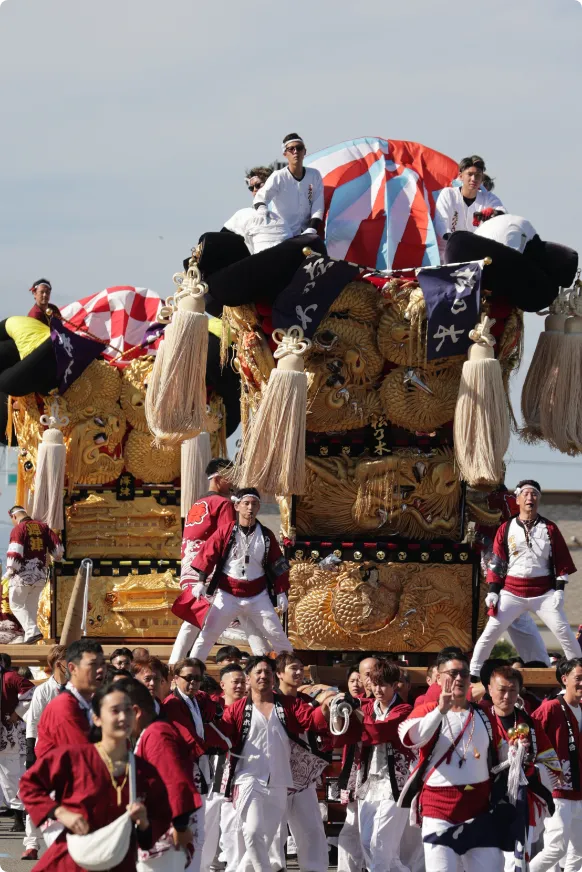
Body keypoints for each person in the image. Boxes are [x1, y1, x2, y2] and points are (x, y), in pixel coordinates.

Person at [20, 682, 172, 872]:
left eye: (128, 710)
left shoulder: (144, 771)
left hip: (119, 862)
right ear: (97, 718)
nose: (123, 717)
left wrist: (144, 824)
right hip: (73, 860)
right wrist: (60, 813)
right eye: (115, 711)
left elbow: (160, 820)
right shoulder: (74, 757)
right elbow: (29, 785)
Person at [219, 656, 332, 872]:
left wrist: (327, 705)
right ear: (248, 678)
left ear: (274, 677)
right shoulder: (237, 709)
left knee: (265, 837)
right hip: (248, 779)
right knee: (252, 832)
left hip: (280, 781)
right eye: (258, 672)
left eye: (267, 673)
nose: (263, 676)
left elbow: (311, 720)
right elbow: (222, 735)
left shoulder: (289, 705)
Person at [398, 651, 504, 872]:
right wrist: (440, 710)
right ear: (438, 678)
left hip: (479, 808)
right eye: (452, 673)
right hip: (439, 809)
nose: (459, 679)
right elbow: (412, 739)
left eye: (464, 674)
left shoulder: (484, 714)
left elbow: (499, 752)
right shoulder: (426, 710)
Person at [470, 480, 581, 679]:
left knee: (564, 630)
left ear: (539, 499)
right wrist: (494, 591)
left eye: (535, 494)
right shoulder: (505, 528)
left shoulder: (550, 528)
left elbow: (561, 561)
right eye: (526, 494)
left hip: (544, 593)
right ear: (518, 499)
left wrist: (560, 591)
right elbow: (497, 562)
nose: (530, 498)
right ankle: (474, 673)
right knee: (491, 631)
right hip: (512, 591)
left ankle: (577, 672)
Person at [170, 459, 267, 664]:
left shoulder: (197, 503)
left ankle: (176, 663)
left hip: (191, 568)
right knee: (244, 616)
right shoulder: (223, 504)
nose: (233, 482)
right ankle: (265, 662)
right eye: (230, 477)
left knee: (198, 619)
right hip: (211, 570)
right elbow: (229, 539)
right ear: (218, 477)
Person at [190, 487, 293, 662]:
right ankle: (192, 669)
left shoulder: (266, 535)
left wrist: (281, 591)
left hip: (257, 596)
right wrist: (201, 582)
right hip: (227, 594)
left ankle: (291, 669)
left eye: (254, 504)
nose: (250, 508)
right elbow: (208, 554)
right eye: (246, 503)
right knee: (208, 635)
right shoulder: (225, 531)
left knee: (278, 635)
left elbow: (277, 564)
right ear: (237, 506)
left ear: (259, 507)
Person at [334, 659, 413, 872]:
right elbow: (343, 733)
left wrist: (357, 711)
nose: (378, 689)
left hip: (394, 783)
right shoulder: (369, 706)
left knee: (380, 845)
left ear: (395, 684)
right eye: (375, 684)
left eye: (383, 684)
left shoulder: (405, 709)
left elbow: (379, 732)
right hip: (369, 781)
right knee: (368, 841)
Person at [116, 677, 200, 872]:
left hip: (165, 836)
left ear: (135, 712)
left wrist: (180, 826)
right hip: (155, 834)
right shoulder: (150, 733)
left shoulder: (157, 734)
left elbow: (176, 782)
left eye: (118, 712)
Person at [485, 665, 561, 871]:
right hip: (483, 800)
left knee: (516, 859)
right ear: (490, 689)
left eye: (512, 690)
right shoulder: (479, 718)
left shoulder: (530, 724)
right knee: (485, 860)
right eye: (501, 690)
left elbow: (550, 762)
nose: (507, 696)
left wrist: (525, 764)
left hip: (520, 800)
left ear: (520, 690)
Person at [162, 657, 230, 872]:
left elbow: (212, 711)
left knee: (199, 830)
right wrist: (208, 749)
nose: (192, 683)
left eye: (197, 679)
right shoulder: (172, 703)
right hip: (185, 771)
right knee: (186, 831)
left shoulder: (196, 699)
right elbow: (187, 737)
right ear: (175, 678)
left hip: (200, 768)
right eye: (188, 678)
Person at [275, 651, 331, 872]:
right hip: (275, 778)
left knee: (312, 830)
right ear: (279, 673)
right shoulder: (269, 701)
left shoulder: (308, 701)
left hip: (303, 777)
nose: (299, 672)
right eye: (293, 668)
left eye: (301, 668)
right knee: (275, 833)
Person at [529, 658, 582, 871]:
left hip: (579, 790)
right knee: (556, 848)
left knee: (578, 853)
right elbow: (529, 735)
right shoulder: (551, 708)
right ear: (564, 679)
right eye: (578, 678)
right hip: (558, 790)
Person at [22, 644, 67, 860]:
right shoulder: (44, 690)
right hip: (46, 752)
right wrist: (31, 753)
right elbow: (32, 722)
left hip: (70, 753)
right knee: (37, 796)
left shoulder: (77, 689)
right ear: (59, 664)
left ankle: (63, 844)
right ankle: (31, 843)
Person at [201, 664, 247, 872]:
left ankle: (233, 863)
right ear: (222, 684)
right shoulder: (213, 707)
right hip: (218, 764)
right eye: (235, 682)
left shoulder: (253, 706)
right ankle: (204, 864)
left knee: (234, 819)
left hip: (245, 766)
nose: (239, 686)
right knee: (211, 814)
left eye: (242, 682)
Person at [35, 639, 105, 759]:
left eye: (103, 664)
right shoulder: (63, 707)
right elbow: (83, 756)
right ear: (72, 668)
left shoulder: (92, 702)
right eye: (93, 664)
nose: (100, 670)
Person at [5, 504, 63, 643]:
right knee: (30, 607)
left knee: (16, 604)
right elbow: (58, 549)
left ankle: (32, 631)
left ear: (14, 516)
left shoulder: (18, 529)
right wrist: (56, 558)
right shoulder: (43, 527)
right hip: (40, 575)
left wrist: (9, 572)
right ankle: (29, 637)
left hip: (22, 576)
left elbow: (15, 551)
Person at [253, 133, 325, 238]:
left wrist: (312, 228)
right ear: (285, 153)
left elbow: (317, 206)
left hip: (307, 233)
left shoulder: (314, 175)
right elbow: (260, 198)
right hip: (283, 234)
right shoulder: (278, 176)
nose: (295, 152)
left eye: (299, 148)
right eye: (291, 149)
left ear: (304, 151)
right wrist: (262, 211)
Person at [433, 154, 505, 258]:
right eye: (469, 174)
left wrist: (494, 213)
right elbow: (441, 224)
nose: (474, 179)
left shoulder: (488, 198)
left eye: (478, 175)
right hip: (448, 254)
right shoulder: (448, 194)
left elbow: (503, 214)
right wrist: (458, 241)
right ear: (461, 176)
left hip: (477, 255)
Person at [0, 652, 34, 837]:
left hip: (7, 734)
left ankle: (19, 816)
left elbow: (31, 692)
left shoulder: (10, 677)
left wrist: (17, 713)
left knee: (11, 775)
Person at [222, 165, 274, 238]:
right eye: (251, 188)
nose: (254, 190)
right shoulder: (245, 214)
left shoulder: (285, 207)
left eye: (258, 185)